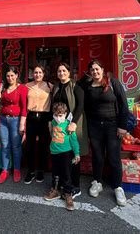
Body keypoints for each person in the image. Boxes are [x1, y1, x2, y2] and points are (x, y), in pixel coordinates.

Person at [81, 60, 128, 207]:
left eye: (97, 69)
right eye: (92, 70)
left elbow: (123, 104)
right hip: (94, 126)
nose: (95, 72)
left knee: (114, 157)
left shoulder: (113, 83)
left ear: (102, 69)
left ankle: (118, 187)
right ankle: (97, 182)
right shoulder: (88, 86)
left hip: (112, 126)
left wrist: (122, 126)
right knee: (98, 156)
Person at [51, 62, 85, 199]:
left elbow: (80, 105)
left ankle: (75, 186)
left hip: (71, 125)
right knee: (62, 155)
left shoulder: (76, 86)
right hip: (59, 125)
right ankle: (63, 184)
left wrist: (74, 123)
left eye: (64, 71)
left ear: (69, 72)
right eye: (59, 71)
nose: (62, 73)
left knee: (73, 155)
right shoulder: (56, 86)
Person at [44, 102, 80, 211]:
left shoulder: (68, 125)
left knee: (66, 173)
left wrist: (77, 153)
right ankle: (55, 190)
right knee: (55, 172)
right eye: (56, 115)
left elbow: (74, 141)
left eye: (60, 115)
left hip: (66, 153)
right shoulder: (53, 122)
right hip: (54, 152)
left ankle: (67, 194)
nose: (58, 118)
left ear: (65, 114)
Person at [0, 66, 27, 184]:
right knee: (4, 145)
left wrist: (22, 124)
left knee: (16, 146)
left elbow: (24, 108)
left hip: (16, 120)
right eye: (8, 76)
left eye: (12, 75)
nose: (10, 78)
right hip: (3, 120)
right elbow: (0, 103)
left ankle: (17, 169)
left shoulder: (22, 89)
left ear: (17, 76)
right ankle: (5, 170)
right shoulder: (3, 88)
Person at [24, 65, 53, 184]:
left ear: (44, 73)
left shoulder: (50, 86)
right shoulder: (27, 86)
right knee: (29, 145)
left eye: (40, 72)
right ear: (32, 73)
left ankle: (41, 170)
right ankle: (30, 170)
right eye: (35, 72)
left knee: (43, 145)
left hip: (44, 117)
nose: (38, 75)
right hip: (31, 116)